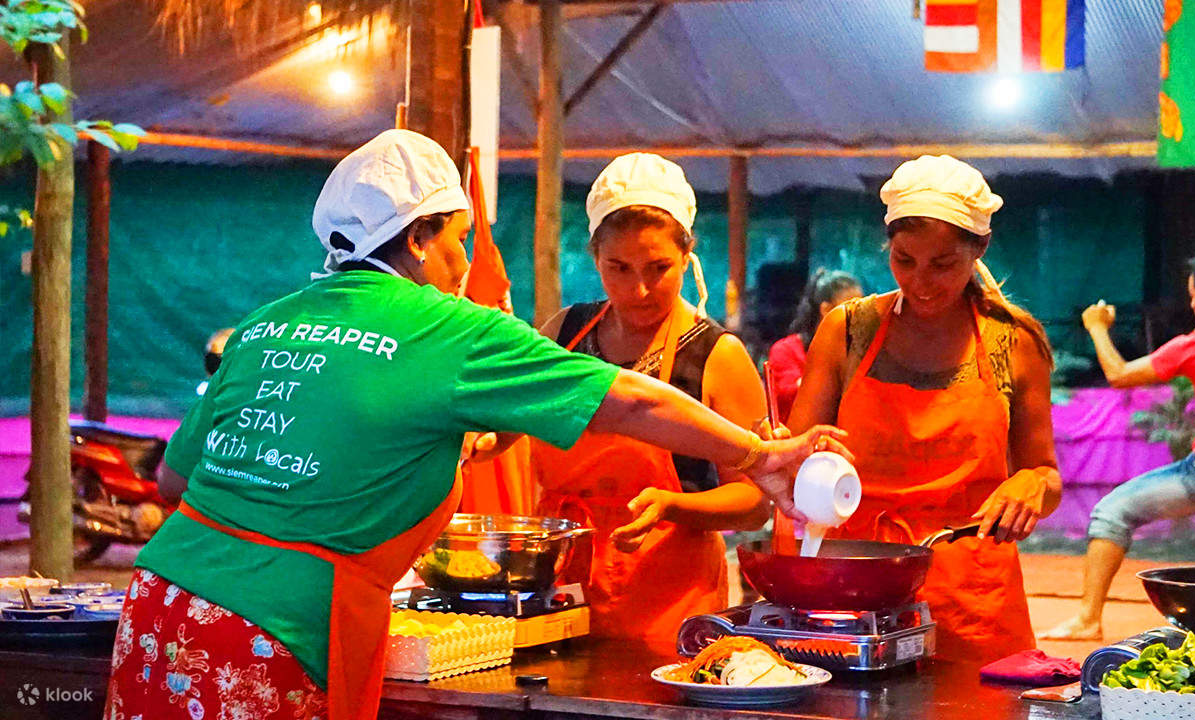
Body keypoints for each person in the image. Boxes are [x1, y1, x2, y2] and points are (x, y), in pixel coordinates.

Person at [103, 131, 847, 720]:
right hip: (275, 636)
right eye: (459, 238)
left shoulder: (268, 323)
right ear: (421, 239)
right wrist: (758, 452)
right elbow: (634, 400)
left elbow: (173, 477)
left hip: (159, 605)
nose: (466, 261)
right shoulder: (450, 329)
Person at [785, 154, 1062, 663]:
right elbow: (793, 463)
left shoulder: (1013, 340)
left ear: (980, 249)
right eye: (904, 260)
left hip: (974, 601)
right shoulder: (847, 331)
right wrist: (784, 453)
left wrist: (1034, 483)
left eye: (943, 264)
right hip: (856, 589)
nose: (921, 282)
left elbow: (1045, 475)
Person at [507, 153, 770, 648]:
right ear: (594, 257)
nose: (640, 289)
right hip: (559, 591)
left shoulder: (716, 354)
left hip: (671, 606)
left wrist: (673, 506)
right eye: (619, 268)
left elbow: (755, 502)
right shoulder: (563, 333)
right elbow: (511, 418)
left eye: (659, 268)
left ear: (689, 254)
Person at [1042, 246, 1195, 641]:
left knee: (1112, 512)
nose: (1192, 305)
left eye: (1194, 297)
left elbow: (1119, 374)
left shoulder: (1193, 345)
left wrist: (1096, 326)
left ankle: (1088, 620)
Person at [767, 269, 863, 420]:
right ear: (826, 310)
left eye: (862, 309)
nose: (859, 316)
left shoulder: (858, 351)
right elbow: (787, 396)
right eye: (852, 309)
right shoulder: (786, 350)